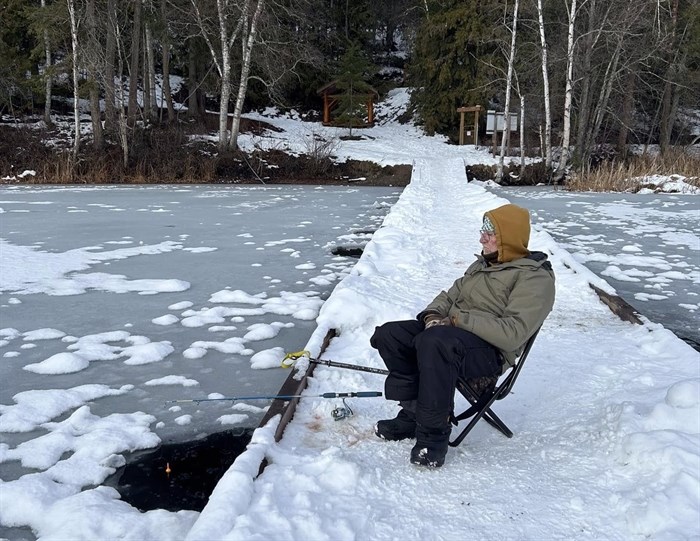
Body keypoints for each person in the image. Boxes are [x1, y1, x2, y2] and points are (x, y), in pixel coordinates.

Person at [370, 203, 555, 468]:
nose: (482, 238)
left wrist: (456, 321)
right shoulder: (482, 265)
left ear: (509, 237)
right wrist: (434, 317)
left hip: (489, 354)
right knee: (392, 334)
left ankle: (433, 437)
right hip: (449, 337)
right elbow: (448, 297)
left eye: (490, 233)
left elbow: (513, 333)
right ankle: (413, 415)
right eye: (483, 230)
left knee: (434, 342)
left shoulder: (535, 279)